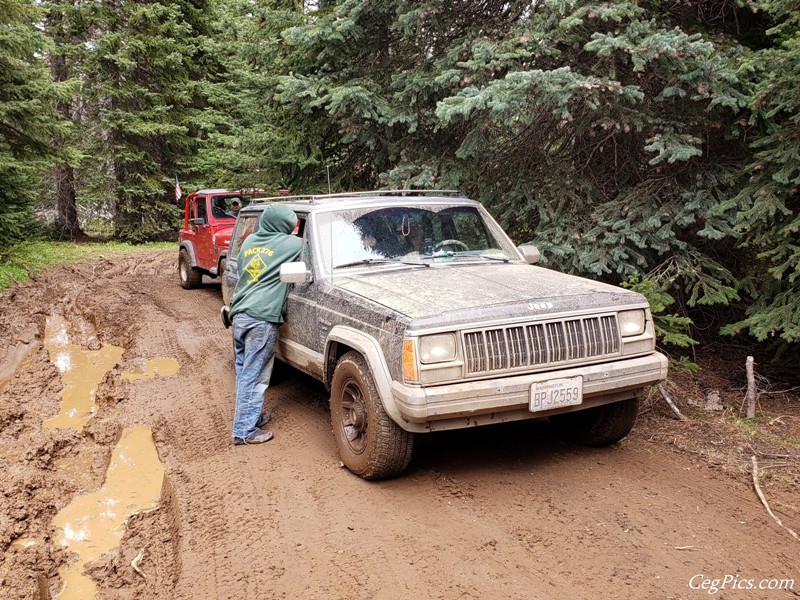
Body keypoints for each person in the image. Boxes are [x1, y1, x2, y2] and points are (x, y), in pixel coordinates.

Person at [228, 204, 302, 445]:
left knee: (244, 371)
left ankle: (250, 416)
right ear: (283, 225)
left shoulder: (249, 242)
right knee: (256, 375)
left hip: (239, 314)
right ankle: (244, 432)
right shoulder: (292, 245)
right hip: (262, 317)